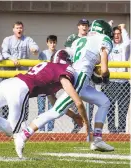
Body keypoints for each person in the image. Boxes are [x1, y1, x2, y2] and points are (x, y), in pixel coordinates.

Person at [16, 20, 114, 158]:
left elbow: (67, 55)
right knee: (57, 111)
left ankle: (97, 139)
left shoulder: (82, 40)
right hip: (80, 77)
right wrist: (105, 77)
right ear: (105, 32)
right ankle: (23, 135)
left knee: (104, 101)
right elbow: (104, 69)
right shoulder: (103, 39)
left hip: (76, 75)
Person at [0, 50, 88, 158]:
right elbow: (76, 100)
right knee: (12, 131)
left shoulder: (46, 66)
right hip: (20, 89)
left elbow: (54, 103)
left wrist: (73, 116)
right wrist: (83, 119)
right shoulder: (64, 71)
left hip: (8, 83)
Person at [64, 19, 93, 133]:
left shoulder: (91, 38)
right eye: (82, 25)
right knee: (74, 99)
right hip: (76, 72)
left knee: (90, 100)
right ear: (78, 27)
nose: (84, 27)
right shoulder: (72, 38)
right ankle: (78, 123)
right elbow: (67, 53)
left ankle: (88, 124)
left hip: (88, 72)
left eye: (86, 25)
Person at [101, 24, 130, 133]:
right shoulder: (109, 46)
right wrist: (109, 26)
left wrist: (123, 28)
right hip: (110, 82)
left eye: (119, 34)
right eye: (115, 34)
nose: (117, 36)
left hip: (123, 83)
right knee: (110, 107)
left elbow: (128, 41)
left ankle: (122, 130)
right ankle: (112, 130)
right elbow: (103, 41)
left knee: (123, 109)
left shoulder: (124, 46)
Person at [37, 35, 57, 132]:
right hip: (42, 82)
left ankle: (50, 129)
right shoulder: (43, 54)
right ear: (47, 43)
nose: (52, 44)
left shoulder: (57, 54)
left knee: (52, 107)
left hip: (52, 84)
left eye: (54, 42)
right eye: (51, 42)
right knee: (41, 107)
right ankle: (41, 128)